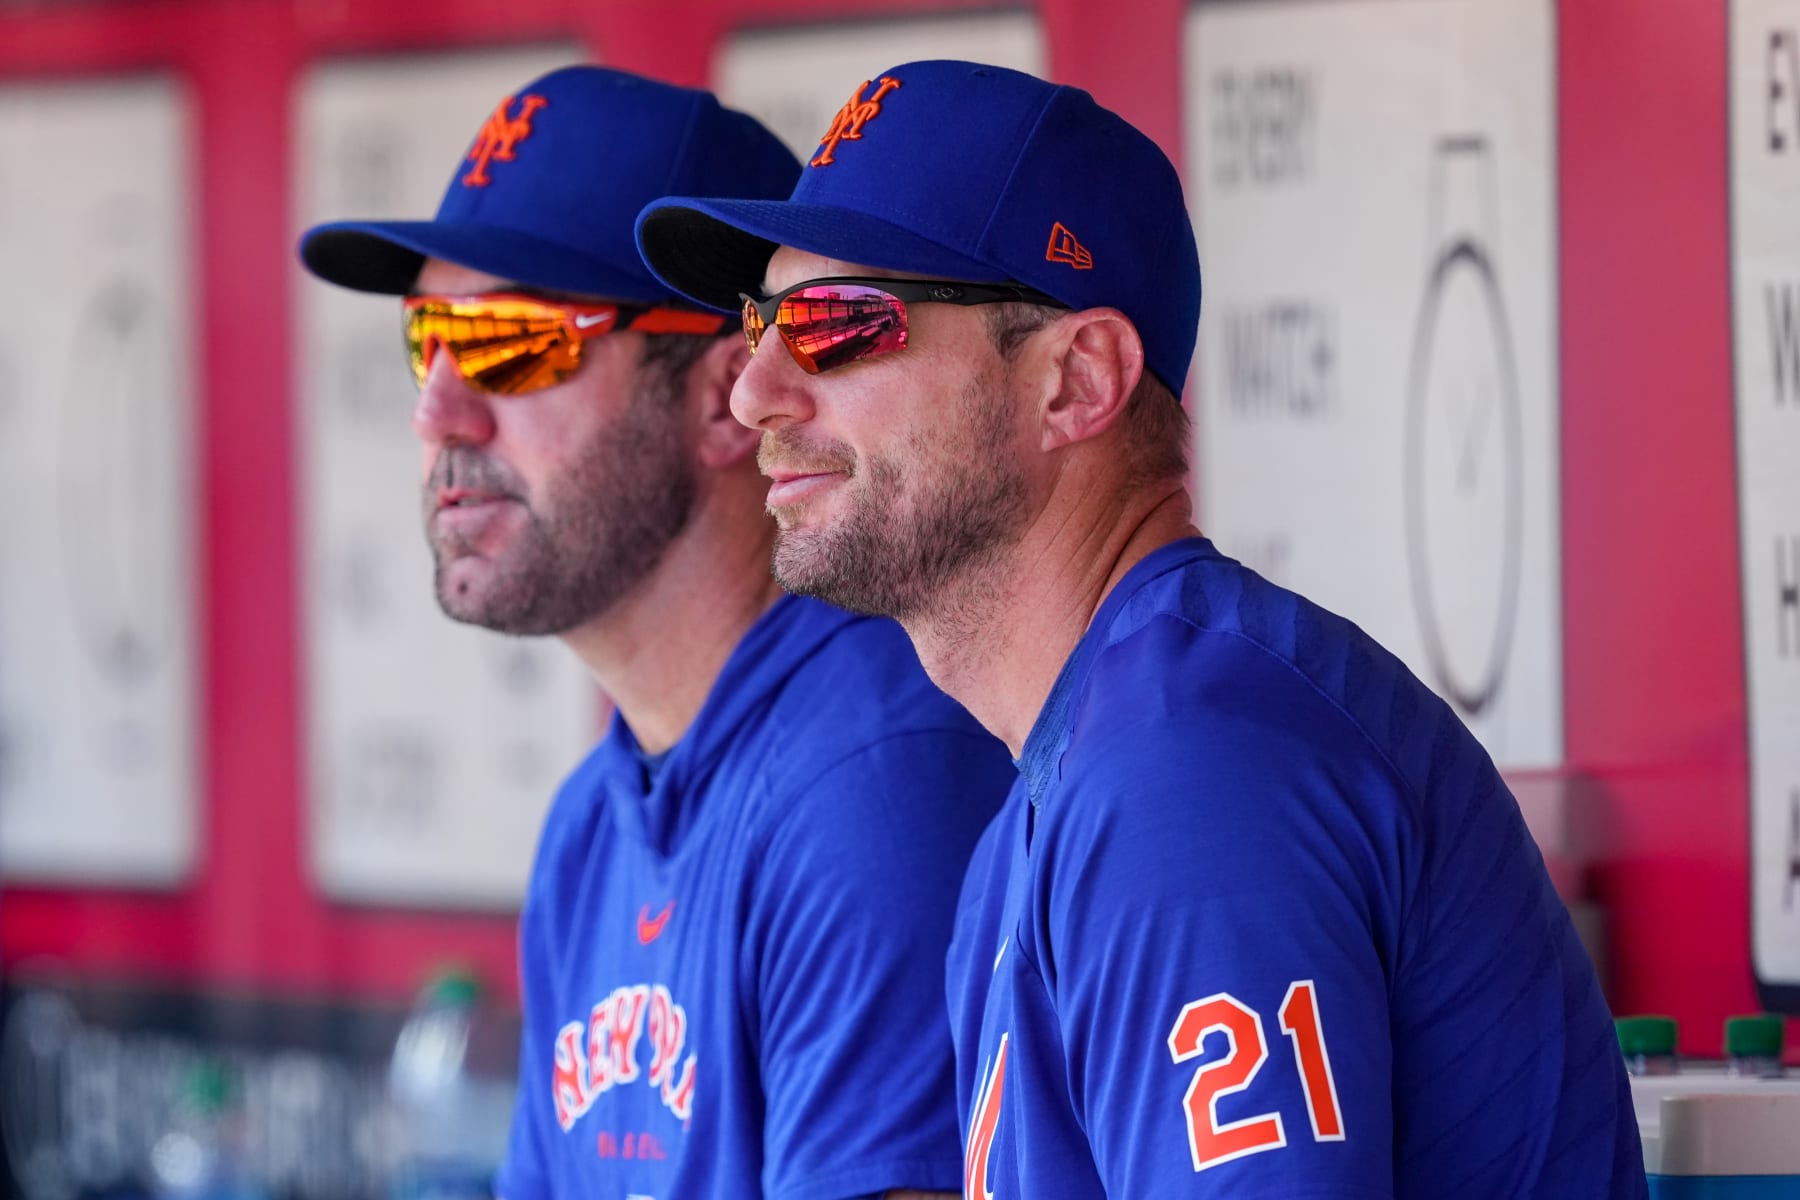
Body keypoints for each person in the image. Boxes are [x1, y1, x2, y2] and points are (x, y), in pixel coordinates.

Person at [637, 59, 1647, 1197]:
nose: (754, 390)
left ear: (1079, 379)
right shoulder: (1052, 796)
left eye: (835, 324)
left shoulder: (1192, 769)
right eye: (759, 321)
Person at [299, 65, 1013, 1200]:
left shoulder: (874, 788)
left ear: (729, 390)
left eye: (511, 344)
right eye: (425, 338)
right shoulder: (591, 827)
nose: (438, 409)